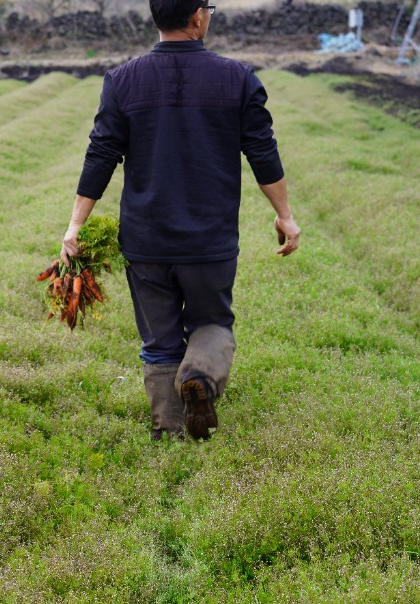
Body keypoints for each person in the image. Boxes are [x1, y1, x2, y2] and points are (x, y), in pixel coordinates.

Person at [60, 0, 301, 440]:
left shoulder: (123, 80)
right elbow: (262, 152)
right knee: (212, 322)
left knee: (159, 340)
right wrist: (284, 216)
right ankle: (201, 379)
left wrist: (76, 225)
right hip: (209, 239)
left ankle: (168, 432)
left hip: (146, 239)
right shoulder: (237, 78)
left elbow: (101, 155)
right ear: (196, 16)